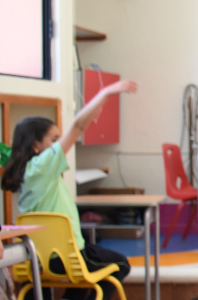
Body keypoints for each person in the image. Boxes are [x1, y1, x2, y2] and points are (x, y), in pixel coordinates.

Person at [2, 80, 137, 300]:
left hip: (37, 260)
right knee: (120, 263)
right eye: (54, 140)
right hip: (68, 257)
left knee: (44, 286)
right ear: (36, 147)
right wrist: (105, 92)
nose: (60, 144)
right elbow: (78, 127)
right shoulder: (42, 166)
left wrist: (96, 106)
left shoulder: (25, 173)